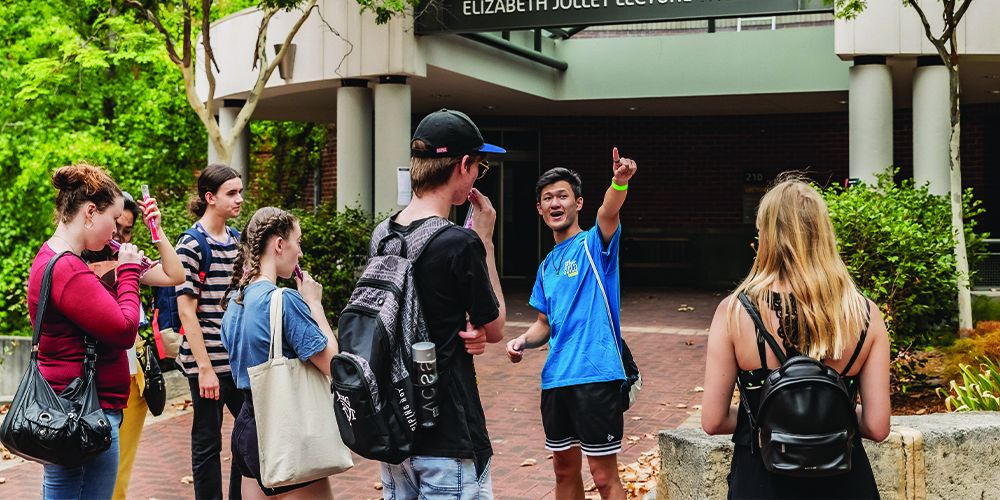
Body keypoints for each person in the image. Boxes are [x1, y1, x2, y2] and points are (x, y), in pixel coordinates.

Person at [700, 176, 891, 499]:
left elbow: (713, 421)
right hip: (844, 482)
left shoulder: (735, 311)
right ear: (824, 233)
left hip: (761, 481)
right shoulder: (865, 314)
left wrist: (764, 418)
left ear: (767, 236)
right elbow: (877, 426)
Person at [378, 109, 507, 499]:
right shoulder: (458, 242)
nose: (476, 176)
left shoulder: (384, 234)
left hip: (396, 425)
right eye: (478, 167)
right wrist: (484, 239)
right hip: (448, 428)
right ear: (463, 165)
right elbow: (497, 326)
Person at [504, 151, 637, 500]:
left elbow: (609, 211)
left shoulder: (595, 245)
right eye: (547, 198)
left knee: (603, 477)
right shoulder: (547, 265)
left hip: (596, 376)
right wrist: (522, 341)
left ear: (578, 203)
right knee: (563, 471)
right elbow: (543, 324)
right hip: (556, 379)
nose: (554, 203)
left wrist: (619, 181)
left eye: (562, 196)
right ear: (539, 209)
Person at [27, 163, 144, 499]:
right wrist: (129, 273)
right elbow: (124, 330)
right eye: (114, 219)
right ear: (91, 212)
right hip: (82, 413)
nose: (116, 232)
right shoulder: (68, 269)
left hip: (73, 407)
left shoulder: (54, 257)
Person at [219, 207, 339, 499]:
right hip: (287, 429)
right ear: (279, 244)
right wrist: (315, 304)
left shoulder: (234, 304)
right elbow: (335, 366)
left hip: (247, 428)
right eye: (297, 241)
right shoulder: (285, 301)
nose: (299, 251)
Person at [82, 190, 185, 499]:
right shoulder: (72, 260)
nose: (119, 234)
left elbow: (175, 274)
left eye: (127, 229)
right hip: (88, 384)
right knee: (86, 477)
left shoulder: (127, 257)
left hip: (131, 380)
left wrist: (157, 229)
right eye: (115, 225)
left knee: (118, 477)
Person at [175, 164, 245, 500]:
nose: (239, 199)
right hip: (206, 363)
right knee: (208, 442)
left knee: (250, 433)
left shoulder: (236, 240)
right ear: (209, 197)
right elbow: (186, 310)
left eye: (240, 192)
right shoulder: (191, 244)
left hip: (236, 361)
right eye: (231, 193)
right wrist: (205, 369)